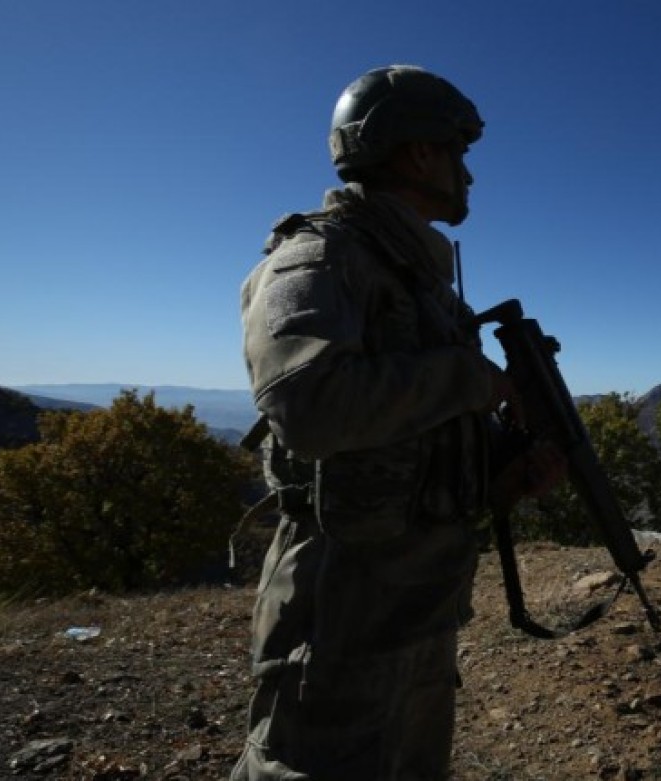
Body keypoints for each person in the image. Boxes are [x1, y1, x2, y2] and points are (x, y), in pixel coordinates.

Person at [232, 64, 560, 781]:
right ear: (419, 152)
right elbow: (308, 405)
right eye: (458, 153)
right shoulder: (318, 258)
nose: (468, 175)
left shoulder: (420, 281)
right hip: (339, 618)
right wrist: (472, 379)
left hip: (417, 609)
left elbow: (412, 437)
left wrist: (504, 470)